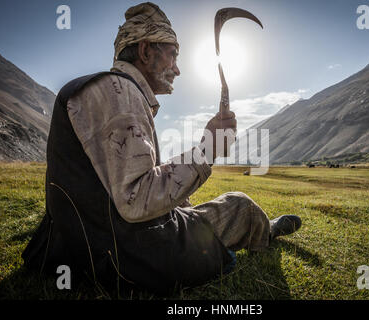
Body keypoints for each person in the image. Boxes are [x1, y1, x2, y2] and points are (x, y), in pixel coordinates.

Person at [22, 2, 301, 294]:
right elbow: (136, 198)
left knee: (184, 202)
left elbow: (119, 181)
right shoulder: (122, 94)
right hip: (125, 257)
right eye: (173, 55)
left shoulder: (100, 89)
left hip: (73, 247)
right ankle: (265, 231)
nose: (177, 69)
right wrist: (207, 149)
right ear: (145, 51)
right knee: (240, 206)